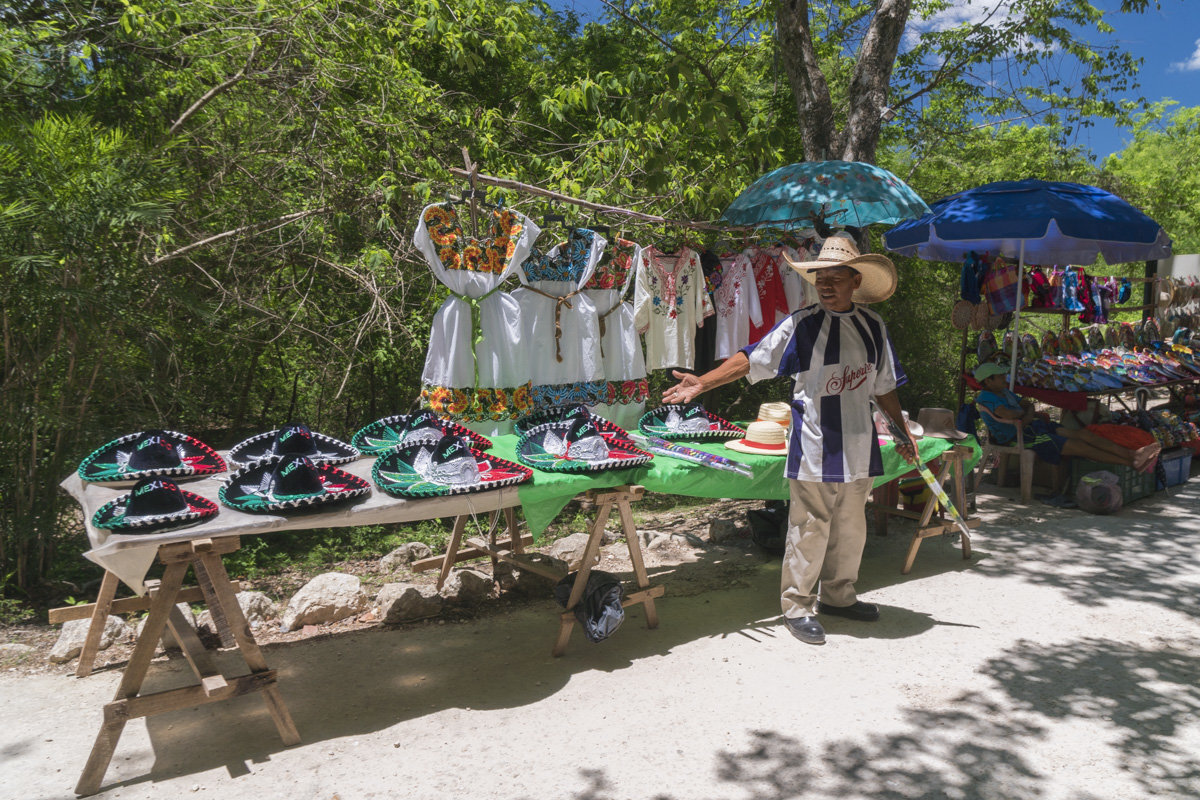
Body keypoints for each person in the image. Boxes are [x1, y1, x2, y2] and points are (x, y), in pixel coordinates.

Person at [662, 232, 917, 646]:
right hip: (815, 446)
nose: (827, 285)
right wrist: (702, 383)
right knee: (809, 527)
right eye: (820, 277)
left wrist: (901, 430)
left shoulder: (873, 327)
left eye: (836, 277)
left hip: (859, 443)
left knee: (852, 527)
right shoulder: (801, 325)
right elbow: (752, 358)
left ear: (856, 280)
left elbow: (883, 385)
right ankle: (798, 605)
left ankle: (839, 596)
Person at [973, 362, 1161, 472]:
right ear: (988, 381)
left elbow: (1026, 405)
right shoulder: (986, 397)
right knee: (1080, 447)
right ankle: (1131, 462)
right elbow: (1013, 415)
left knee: (1085, 435)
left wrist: (1027, 413)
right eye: (999, 377)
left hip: (1034, 427)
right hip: (1021, 437)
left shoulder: (1004, 393)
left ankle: (1132, 454)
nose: (1005, 379)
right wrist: (1026, 413)